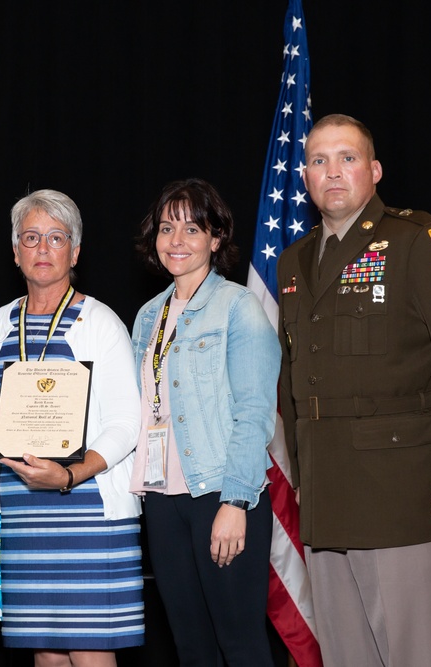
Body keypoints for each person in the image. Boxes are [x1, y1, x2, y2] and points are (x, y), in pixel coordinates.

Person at [276, 114, 431, 666]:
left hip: (402, 492)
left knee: (413, 656)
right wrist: (302, 477)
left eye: (347, 158)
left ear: (373, 170)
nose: (333, 172)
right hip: (327, 496)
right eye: (319, 160)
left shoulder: (418, 241)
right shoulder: (294, 261)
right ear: (304, 175)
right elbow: (295, 379)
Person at [0, 189, 144, 667]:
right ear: (15, 252)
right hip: (18, 512)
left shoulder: (101, 322)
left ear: (74, 252)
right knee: (48, 656)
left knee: (89, 652)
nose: (42, 249)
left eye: (56, 238)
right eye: (30, 238)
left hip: (87, 508)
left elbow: (125, 424)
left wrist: (70, 476)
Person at [128, 179, 280, 666]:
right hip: (161, 498)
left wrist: (236, 501)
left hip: (221, 492)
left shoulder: (239, 307)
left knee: (241, 645)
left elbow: (255, 411)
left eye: (192, 229)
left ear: (216, 239)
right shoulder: (148, 315)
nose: (176, 240)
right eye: (166, 228)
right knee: (191, 648)